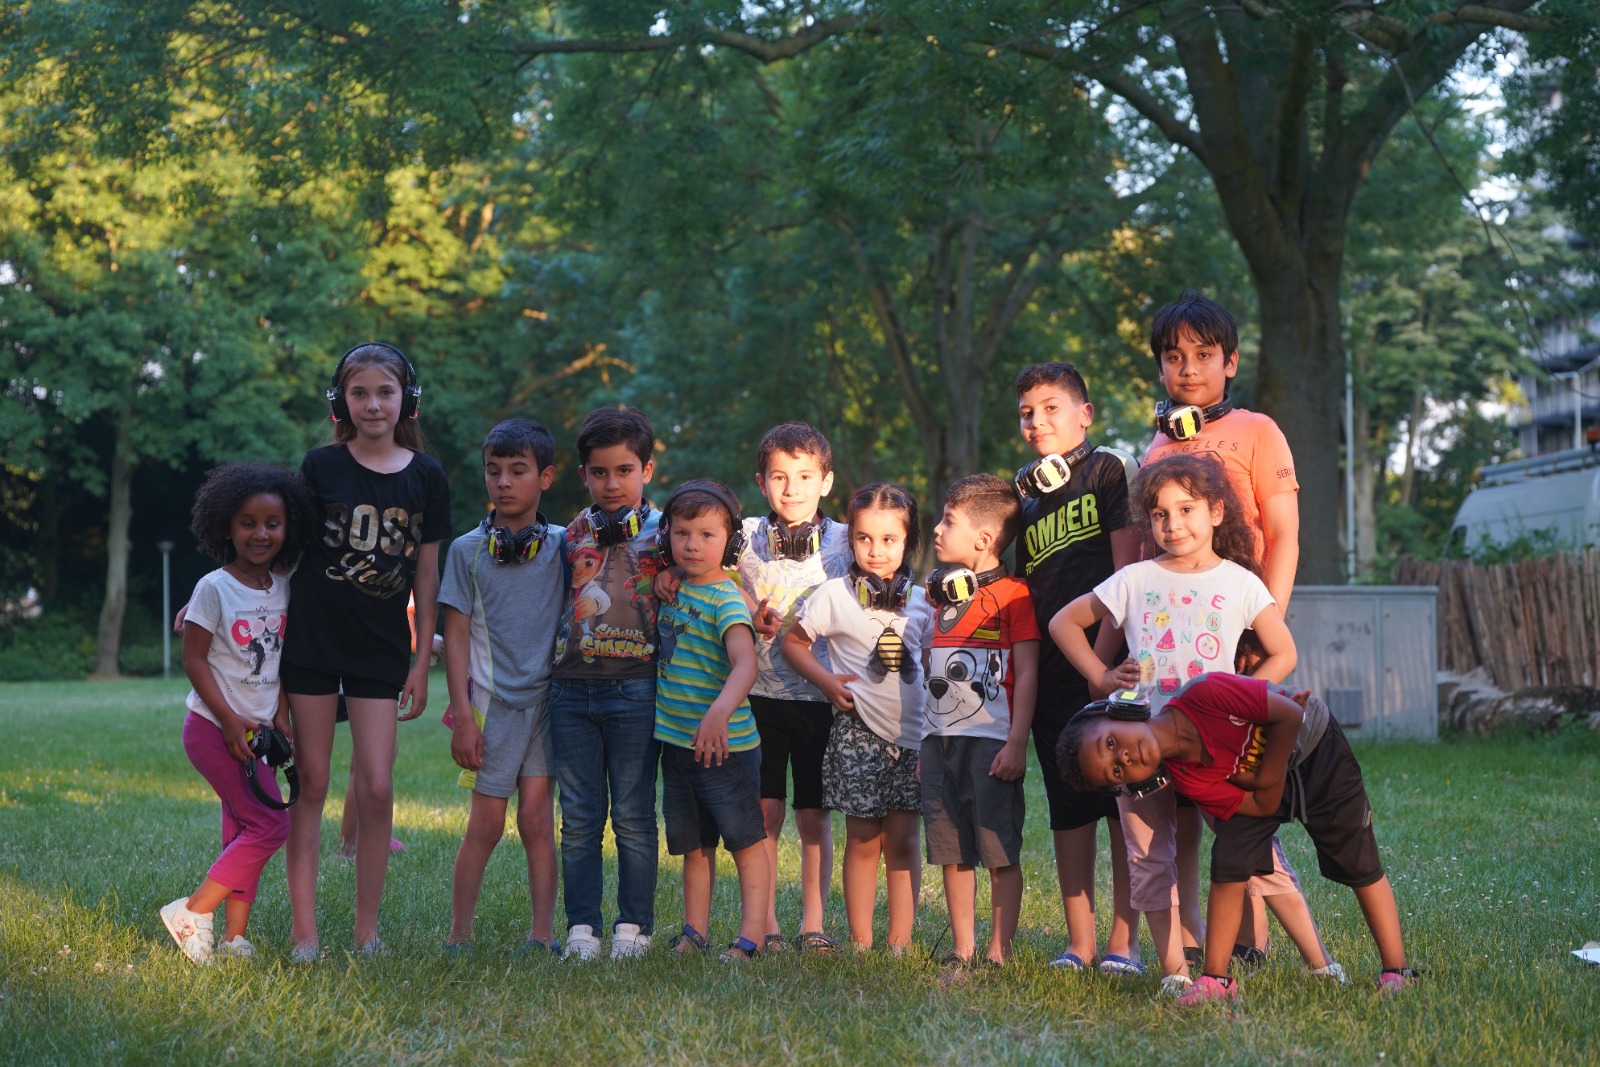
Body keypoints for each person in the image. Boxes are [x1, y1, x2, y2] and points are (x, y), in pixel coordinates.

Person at [1050, 454, 1335, 994]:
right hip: (1136, 747)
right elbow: (1064, 622)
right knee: (1149, 861)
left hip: (1213, 748)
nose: (1173, 524)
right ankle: (1175, 973)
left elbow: (1284, 653)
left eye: (1186, 509)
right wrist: (1102, 676)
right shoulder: (1133, 579)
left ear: (1217, 511)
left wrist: (1243, 703)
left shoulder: (1241, 583)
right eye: (1159, 514)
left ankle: (1321, 966)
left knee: (1257, 851)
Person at [1057, 673, 1419, 1003]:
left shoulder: (1205, 693)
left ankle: (1396, 971)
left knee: (1358, 864)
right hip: (1271, 775)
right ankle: (1215, 979)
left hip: (1316, 748)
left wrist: (1261, 778)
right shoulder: (1189, 777)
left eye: (1110, 742)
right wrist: (1263, 781)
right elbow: (1263, 805)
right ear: (1131, 784)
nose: (1123, 756)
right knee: (1229, 858)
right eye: (1116, 770)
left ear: (1123, 710)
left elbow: (1291, 718)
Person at [1143, 290, 1303, 962]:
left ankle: (1253, 938)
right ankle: (1190, 936)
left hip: (1241, 638)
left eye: (1203, 355)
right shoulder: (1154, 444)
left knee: (1240, 786)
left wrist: (1267, 627)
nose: (1188, 369)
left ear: (1230, 361)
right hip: (1173, 645)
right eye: (1174, 357)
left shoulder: (1259, 430)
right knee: (1178, 792)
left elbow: (1287, 535)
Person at [280, 342, 451, 961]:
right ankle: (305, 933)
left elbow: (427, 575)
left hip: (381, 647)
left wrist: (418, 659)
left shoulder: (426, 475)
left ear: (406, 399)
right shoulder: (320, 466)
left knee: (377, 786)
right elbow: (282, 551)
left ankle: (366, 930)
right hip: (314, 642)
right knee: (312, 781)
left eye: (385, 391)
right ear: (341, 402)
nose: (373, 404)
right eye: (360, 393)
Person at [1013, 361, 1143, 973]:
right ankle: (1080, 942)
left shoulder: (1110, 469)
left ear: (1084, 414)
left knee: (1120, 804)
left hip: (1108, 667)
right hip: (1050, 669)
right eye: (1027, 412)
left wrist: (1103, 664)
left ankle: (1124, 942)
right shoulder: (1022, 487)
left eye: (1051, 407)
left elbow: (1125, 576)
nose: (1037, 421)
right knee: (1067, 806)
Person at [162, 462, 317, 964]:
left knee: (241, 828)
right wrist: (230, 721)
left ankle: (233, 937)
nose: (261, 533)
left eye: (272, 523)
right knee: (270, 827)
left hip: (260, 735)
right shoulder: (214, 588)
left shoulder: (284, 587)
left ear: (287, 528)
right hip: (214, 729)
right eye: (248, 522)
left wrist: (283, 716)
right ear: (226, 526)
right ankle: (192, 911)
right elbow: (193, 659)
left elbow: (282, 663)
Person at [784, 483, 932, 953]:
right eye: (864, 538)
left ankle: (901, 941)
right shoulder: (833, 595)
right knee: (863, 840)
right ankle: (862, 941)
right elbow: (793, 642)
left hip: (913, 740)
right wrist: (827, 682)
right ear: (851, 541)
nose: (875, 550)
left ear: (909, 542)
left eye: (889, 540)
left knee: (905, 841)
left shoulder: (926, 601)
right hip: (857, 735)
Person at [440, 418, 565, 956]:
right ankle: (459, 934)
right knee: (485, 826)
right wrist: (463, 715)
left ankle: (542, 935)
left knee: (538, 821)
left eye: (518, 471)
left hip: (548, 705)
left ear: (547, 477)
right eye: (494, 472)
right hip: (491, 707)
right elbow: (457, 633)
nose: (504, 483)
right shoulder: (466, 550)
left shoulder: (565, 545)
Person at [549, 406, 665, 961]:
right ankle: (582, 928)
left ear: (647, 468)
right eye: (600, 472)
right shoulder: (571, 533)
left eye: (624, 470)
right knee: (579, 819)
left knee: (636, 816)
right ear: (584, 475)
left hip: (637, 689)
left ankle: (634, 927)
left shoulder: (671, 533)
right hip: (571, 689)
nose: (612, 483)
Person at [731, 422, 850, 952]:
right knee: (764, 813)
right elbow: (699, 557)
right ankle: (765, 922)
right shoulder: (745, 536)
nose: (792, 488)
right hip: (757, 697)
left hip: (820, 700)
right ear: (761, 482)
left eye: (805, 476)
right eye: (779, 477)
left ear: (826, 482)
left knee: (813, 816)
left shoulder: (849, 541)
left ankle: (813, 924)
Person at [921, 475, 1038, 968]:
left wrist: (1016, 743)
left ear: (985, 539)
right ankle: (964, 949)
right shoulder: (937, 597)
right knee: (952, 849)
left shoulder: (1014, 596)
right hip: (938, 742)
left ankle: (999, 951)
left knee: (997, 847)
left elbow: (1029, 672)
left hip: (990, 742)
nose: (936, 530)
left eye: (949, 521)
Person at [652, 479, 770, 960]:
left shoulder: (727, 600)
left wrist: (719, 713)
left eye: (706, 534)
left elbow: (746, 663)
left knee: (745, 843)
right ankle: (693, 932)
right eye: (682, 534)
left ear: (731, 542)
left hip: (727, 748)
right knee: (694, 847)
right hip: (679, 744)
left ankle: (752, 937)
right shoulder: (673, 588)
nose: (693, 545)